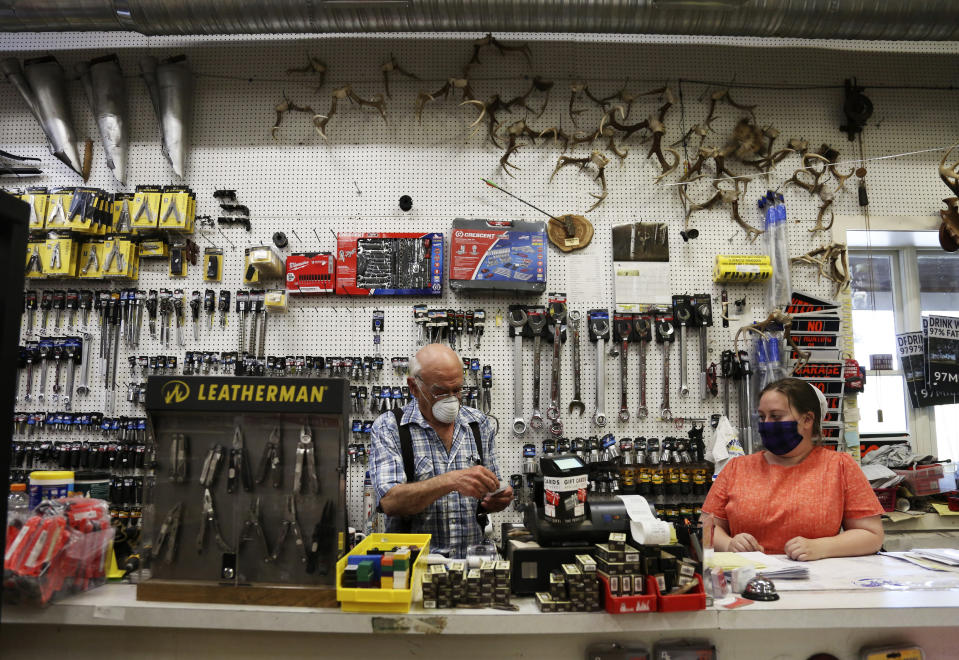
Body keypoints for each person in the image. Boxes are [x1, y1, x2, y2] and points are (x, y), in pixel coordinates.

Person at [702, 377, 884, 561]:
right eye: (762, 416)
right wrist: (728, 544)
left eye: (776, 416)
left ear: (807, 419)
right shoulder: (736, 468)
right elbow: (707, 527)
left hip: (819, 583)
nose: (766, 423)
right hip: (749, 579)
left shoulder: (840, 467)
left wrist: (821, 547)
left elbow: (871, 535)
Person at [369, 343, 514, 558]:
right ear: (414, 387)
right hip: (416, 565)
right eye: (440, 391)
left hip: (472, 564)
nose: (451, 399)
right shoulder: (389, 427)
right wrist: (450, 481)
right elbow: (391, 502)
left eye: (457, 390)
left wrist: (497, 499)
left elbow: (490, 493)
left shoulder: (478, 424)